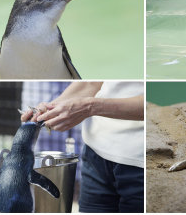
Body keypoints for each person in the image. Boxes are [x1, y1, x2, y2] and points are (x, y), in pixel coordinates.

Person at [21, 81, 144, 213]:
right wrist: (51, 109)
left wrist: (89, 107)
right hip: (94, 155)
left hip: (139, 163)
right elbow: (92, 83)